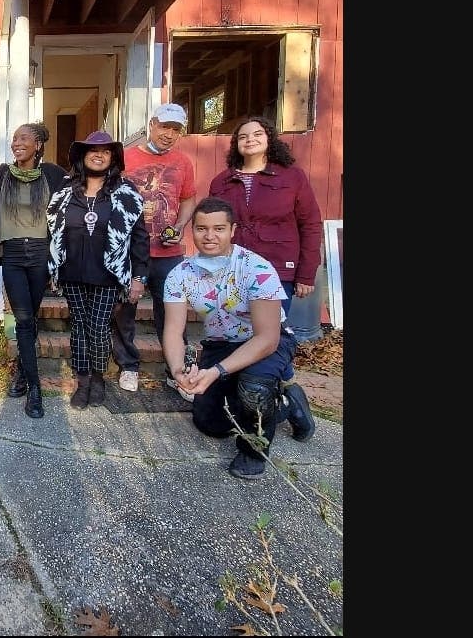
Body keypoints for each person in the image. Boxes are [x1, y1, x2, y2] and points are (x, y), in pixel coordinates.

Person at [163, 197, 313, 480]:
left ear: (232, 230)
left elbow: (267, 338)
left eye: (218, 228)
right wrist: (178, 369)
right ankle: (276, 406)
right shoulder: (179, 274)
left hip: (268, 342)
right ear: (191, 230)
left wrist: (216, 372)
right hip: (221, 344)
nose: (209, 236)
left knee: (254, 389)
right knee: (210, 423)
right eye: (201, 228)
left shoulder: (256, 268)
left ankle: (254, 450)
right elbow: (172, 330)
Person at [207, 115, 322, 441]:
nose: (250, 140)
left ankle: (264, 410)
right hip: (232, 271)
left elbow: (310, 224)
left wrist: (306, 272)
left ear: (269, 139)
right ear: (236, 144)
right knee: (242, 332)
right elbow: (213, 225)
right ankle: (290, 396)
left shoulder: (292, 177)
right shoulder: (223, 181)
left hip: (276, 270)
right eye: (243, 136)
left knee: (267, 336)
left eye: (257, 134)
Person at [0, 123, 68, 418]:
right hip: (11, 255)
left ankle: (22, 374)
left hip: (40, 255)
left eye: (24, 138)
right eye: (14, 139)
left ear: (38, 144)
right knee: (24, 318)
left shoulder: (53, 174)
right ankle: (35, 389)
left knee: (31, 317)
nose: (17, 143)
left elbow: (80, 191)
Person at [47, 132, 148, 409]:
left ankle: (98, 376)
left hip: (108, 275)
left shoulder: (126, 192)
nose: (99, 154)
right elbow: (53, 232)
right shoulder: (65, 192)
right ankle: (83, 381)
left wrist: (138, 277)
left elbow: (140, 238)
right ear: (82, 156)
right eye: (93, 150)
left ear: (113, 158)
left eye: (106, 151)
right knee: (79, 325)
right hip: (72, 273)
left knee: (99, 326)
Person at [110, 103, 198, 399]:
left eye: (176, 130)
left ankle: (177, 371)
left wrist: (182, 224)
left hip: (168, 254)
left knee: (172, 313)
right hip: (130, 252)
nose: (169, 135)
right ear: (152, 124)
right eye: (165, 127)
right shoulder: (126, 158)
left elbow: (188, 199)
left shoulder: (183, 163)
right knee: (125, 310)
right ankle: (128, 365)